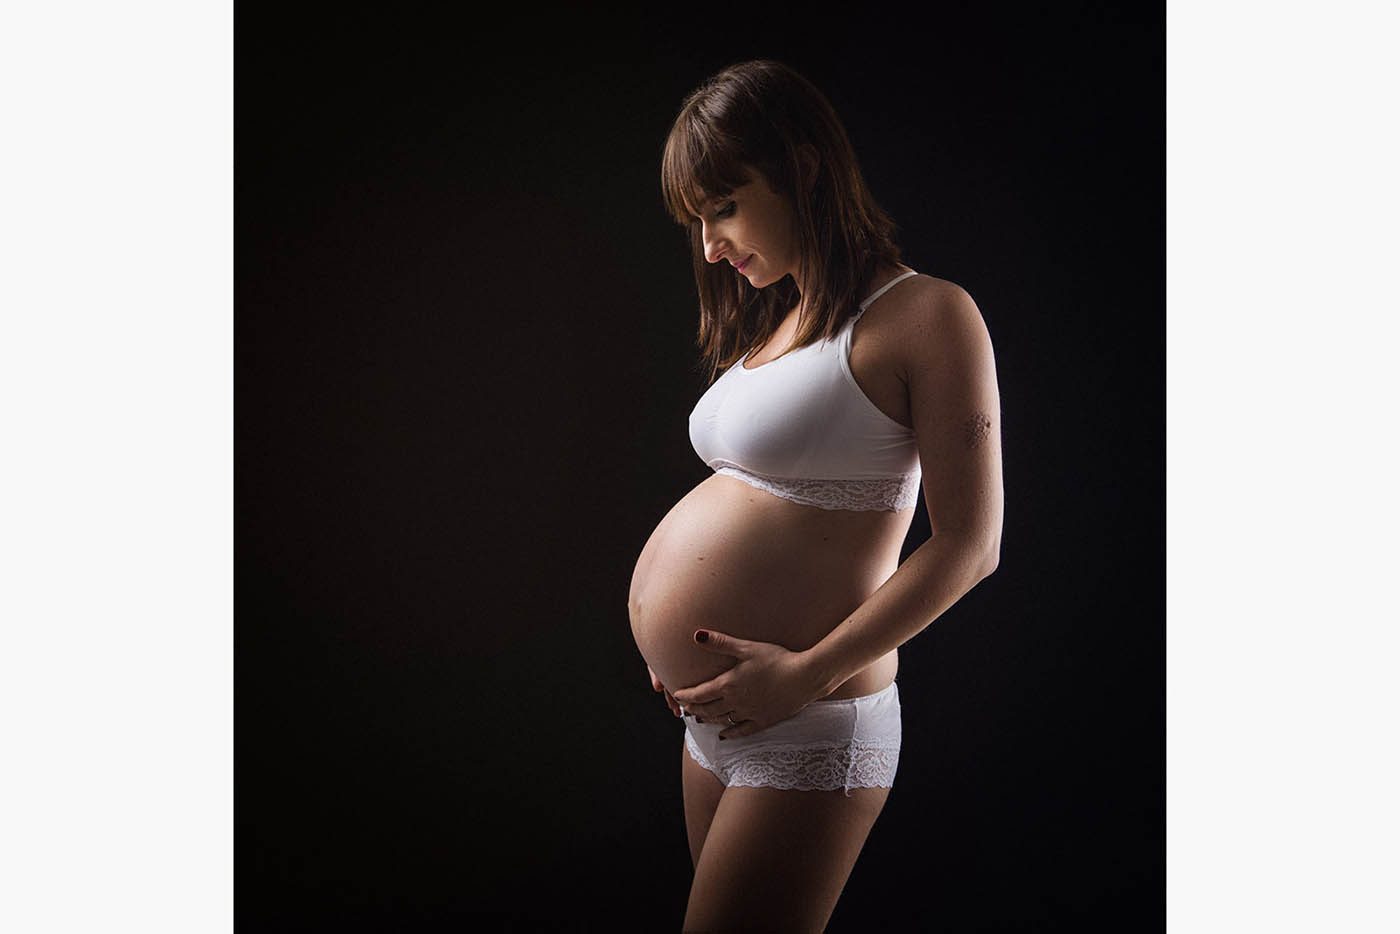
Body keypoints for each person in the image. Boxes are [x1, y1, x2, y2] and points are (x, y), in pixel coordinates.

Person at [632, 59, 1003, 931]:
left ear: (802, 167)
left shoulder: (928, 314)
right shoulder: (786, 320)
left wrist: (802, 677)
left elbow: (971, 544)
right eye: (699, 223)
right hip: (720, 722)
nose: (712, 247)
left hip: (811, 720)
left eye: (723, 207)